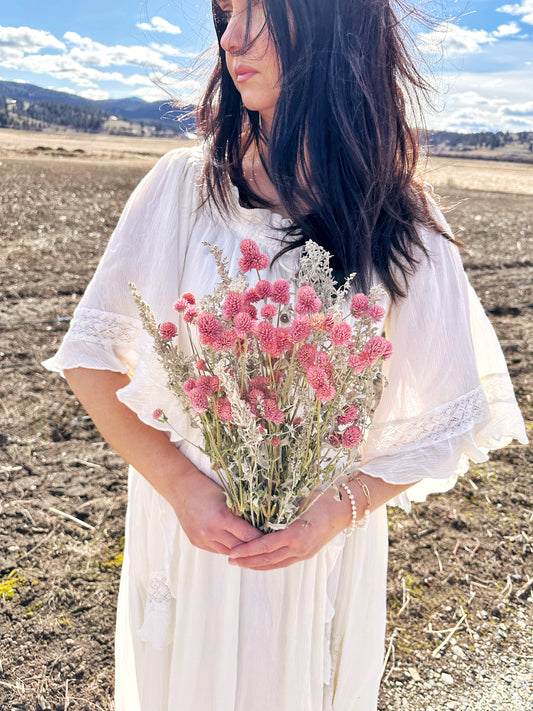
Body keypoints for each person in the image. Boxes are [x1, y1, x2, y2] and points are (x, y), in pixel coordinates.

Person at [43, 0, 527, 709]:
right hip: (192, 548)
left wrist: (335, 511)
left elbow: (452, 409)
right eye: (224, 11)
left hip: (315, 563)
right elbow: (90, 359)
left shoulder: (396, 216)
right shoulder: (185, 189)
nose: (232, 38)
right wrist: (183, 488)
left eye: (260, 10)